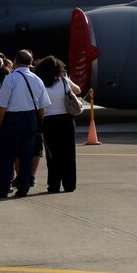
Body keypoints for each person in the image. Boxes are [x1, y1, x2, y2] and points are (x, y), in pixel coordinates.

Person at [0, 49, 49, 197]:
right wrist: (39, 122)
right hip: (31, 119)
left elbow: (2, 105)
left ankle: (4, 188)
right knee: (26, 155)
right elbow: (42, 107)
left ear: (15, 62)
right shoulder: (37, 79)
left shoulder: (11, 79)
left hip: (12, 118)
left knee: (7, 156)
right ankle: (24, 188)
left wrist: (3, 122)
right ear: (30, 62)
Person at [36, 56, 84, 194]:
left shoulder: (41, 84)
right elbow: (78, 90)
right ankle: (69, 184)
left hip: (49, 121)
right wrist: (65, 77)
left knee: (52, 155)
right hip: (66, 120)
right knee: (68, 153)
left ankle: (54, 185)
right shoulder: (64, 81)